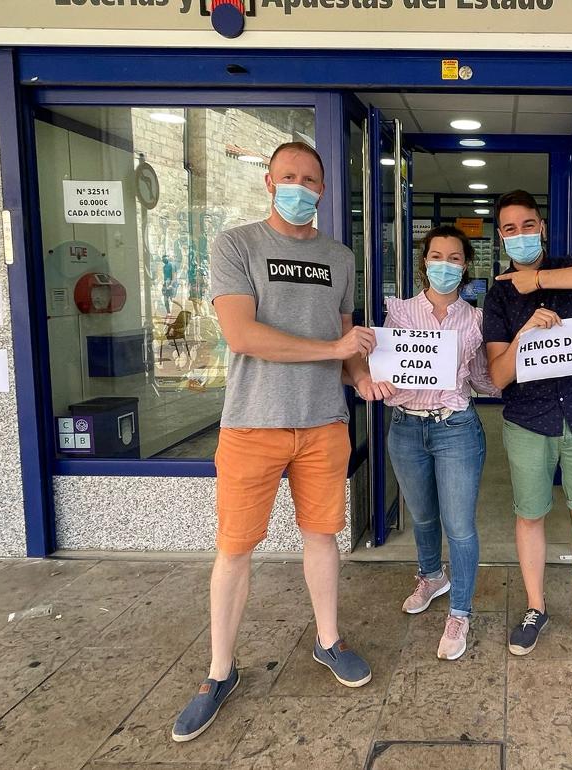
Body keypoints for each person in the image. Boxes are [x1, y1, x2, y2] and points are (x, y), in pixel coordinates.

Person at [172, 141, 394, 743]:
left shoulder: (340, 258)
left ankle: (328, 640)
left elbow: (346, 336)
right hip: (252, 424)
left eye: (311, 179)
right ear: (270, 182)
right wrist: (336, 353)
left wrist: (364, 379)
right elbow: (242, 335)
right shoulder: (236, 246)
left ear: (322, 189)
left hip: (324, 423)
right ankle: (219, 671)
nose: (300, 187)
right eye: (289, 176)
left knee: (323, 538)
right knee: (235, 549)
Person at [481, 189, 572, 662]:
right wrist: (524, 331)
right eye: (510, 229)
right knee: (531, 515)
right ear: (501, 236)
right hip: (529, 420)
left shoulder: (571, 270)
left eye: (528, 225)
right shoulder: (499, 293)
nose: (520, 235)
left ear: (541, 227)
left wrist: (540, 278)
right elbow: (496, 375)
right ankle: (535, 607)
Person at [384, 225, 500, 660]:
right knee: (423, 516)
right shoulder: (398, 313)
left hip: (455, 429)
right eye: (437, 256)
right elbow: (387, 370)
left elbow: (483, 380)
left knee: (460, 526)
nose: (445, 265)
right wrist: (371, 373)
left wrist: (516, 353)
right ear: (424, 262)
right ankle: (432, 576)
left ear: (466, 265)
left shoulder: (475, 320)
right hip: (406, 428)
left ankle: (460, 612)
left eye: (454, 258)